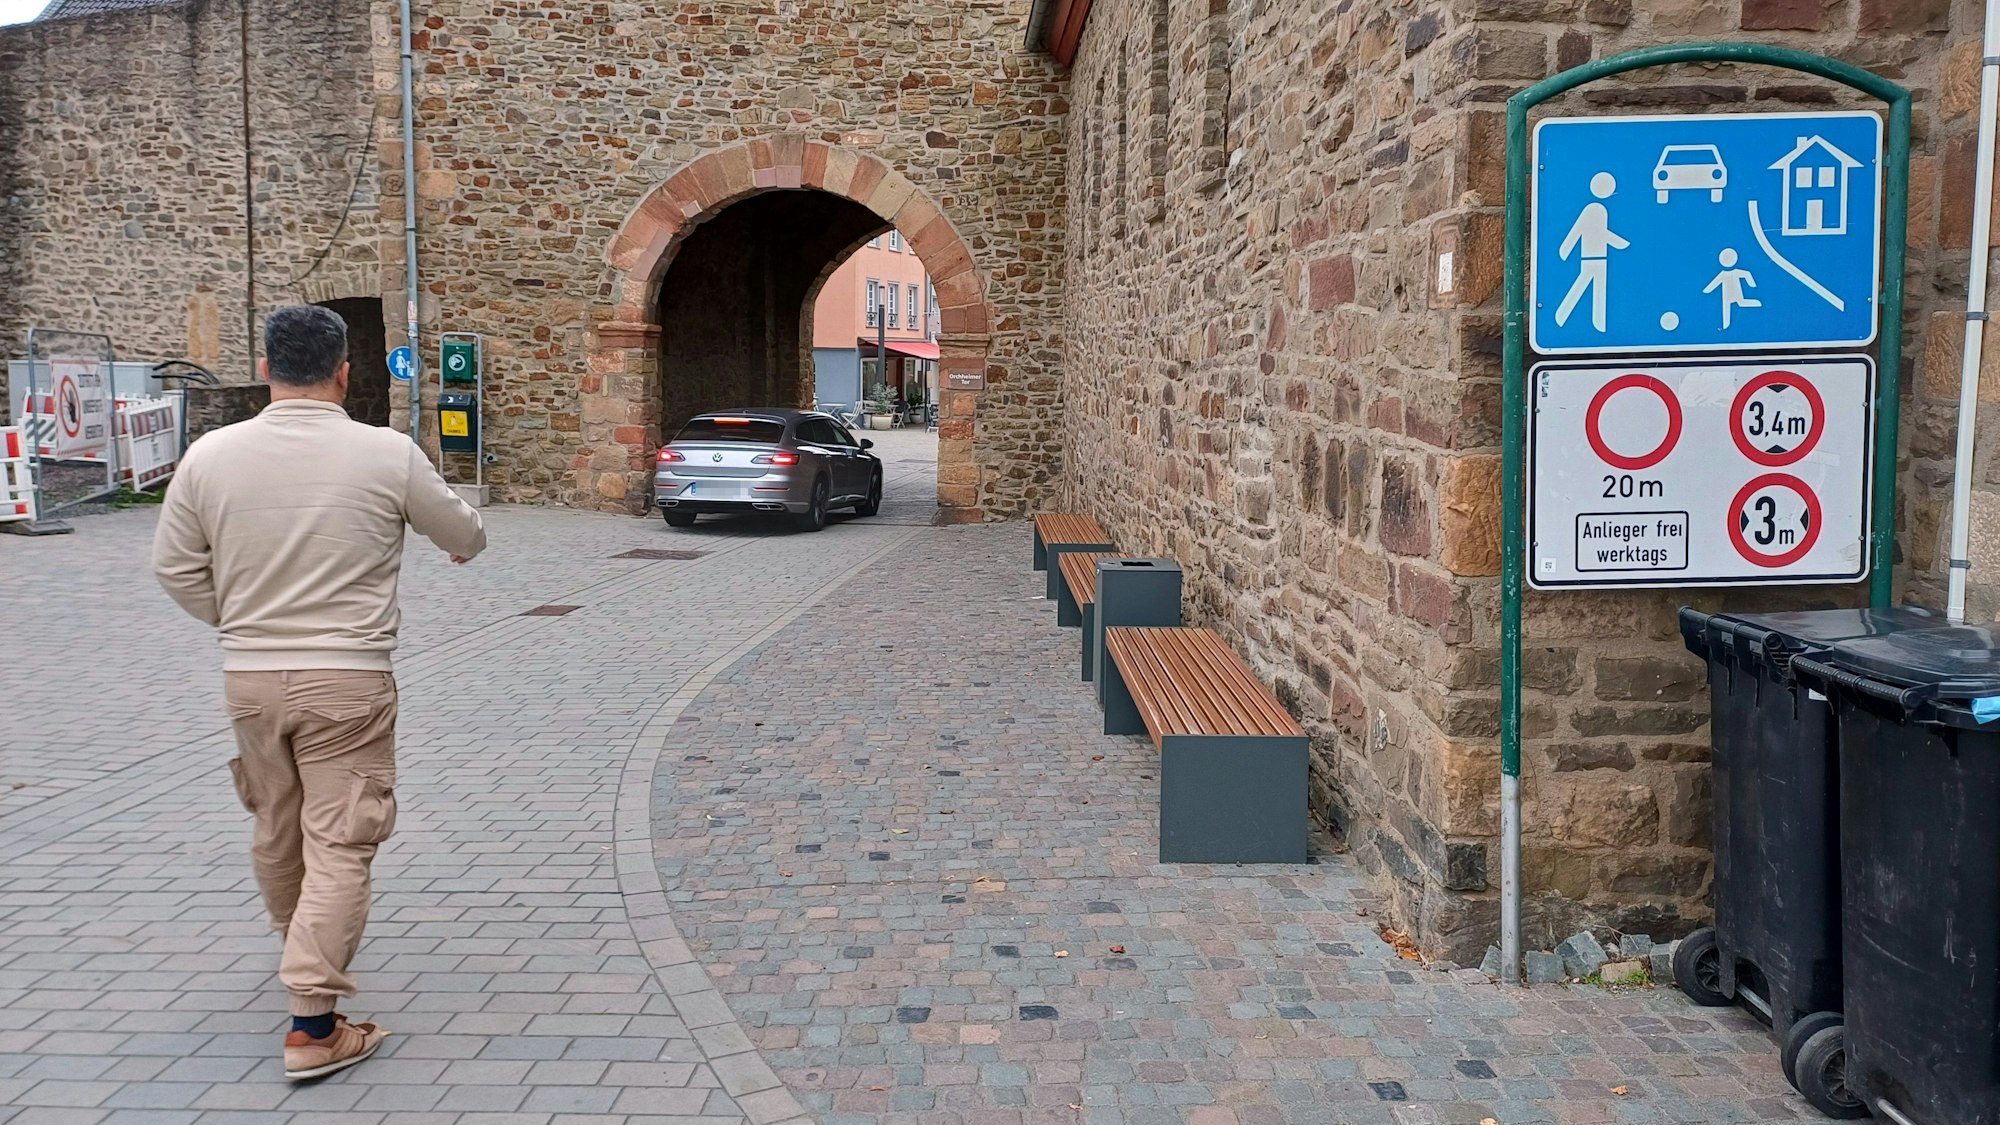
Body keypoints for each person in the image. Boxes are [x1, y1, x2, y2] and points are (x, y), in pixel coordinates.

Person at [152, 306, 486, 1079]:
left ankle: (301, 944)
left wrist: (237, 619)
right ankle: (312, 1022)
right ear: (345, 372)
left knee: (277, 823)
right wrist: (456, 540)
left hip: (251, 675)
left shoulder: (210, 454)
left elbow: (174, 568)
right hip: (349, 676)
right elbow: (465, 532)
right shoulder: (385, 453)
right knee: (341, 838)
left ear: (266, 368)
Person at [1555, 171, 1629, 333]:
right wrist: (1565, 250)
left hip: (1601, 258)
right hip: (1591, 257)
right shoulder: (1594, 210)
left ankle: (1599, 323)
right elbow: (1579, 230)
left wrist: (1620, 243)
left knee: (1597, 287)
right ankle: (1562, 315)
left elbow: (1599, 232)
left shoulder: (1600, 210)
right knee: (1585, 283)